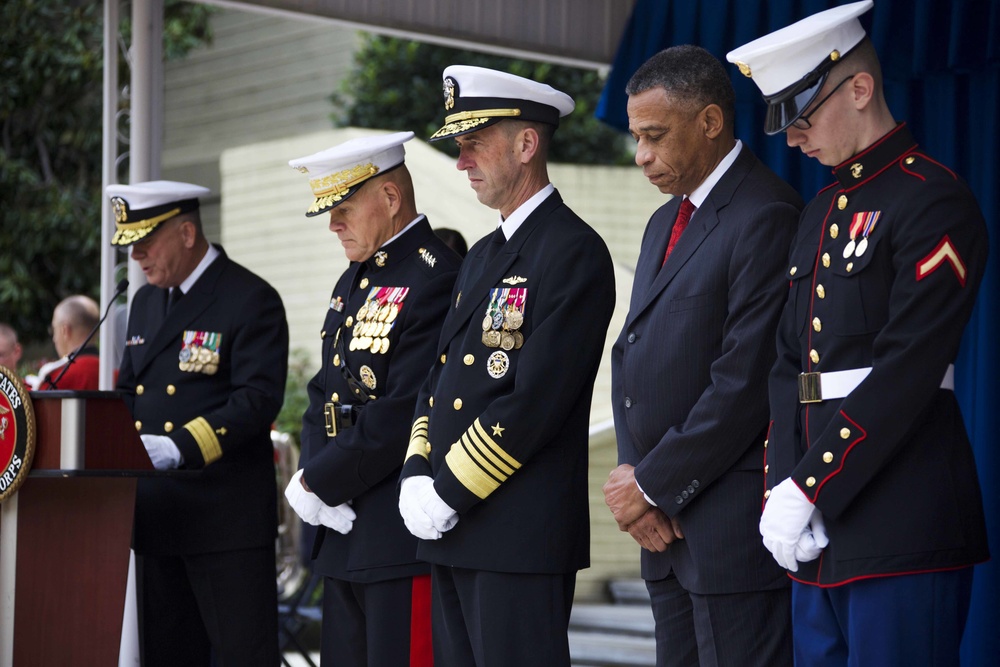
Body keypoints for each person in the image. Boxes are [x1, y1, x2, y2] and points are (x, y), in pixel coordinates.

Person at [726, 2, 989, 664]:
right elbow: (789, 365)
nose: (792, 139)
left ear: (861, 88)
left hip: (900, 517)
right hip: (819, 528)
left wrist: (813, 481)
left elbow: (908, 365)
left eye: (803, 115)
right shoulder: (819, 210)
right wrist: (783, 486)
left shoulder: (932, 198)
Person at [396, 65, 616, 667]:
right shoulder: (482, 254)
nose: (462, 160)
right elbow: (438, 381)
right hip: (455, 527)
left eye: (474, 143)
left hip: (517, 532)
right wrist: (416, 469)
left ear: (526, 144)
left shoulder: (572, 250)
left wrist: (447, 488)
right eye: (459, 146)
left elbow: (536, 398)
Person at [602, 45, 802, 667]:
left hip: (724, 531)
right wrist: (637, 487)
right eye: (637, 137)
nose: (641, 157)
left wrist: (654, 485)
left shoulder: (765, 213)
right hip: (663, 530)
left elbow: (742, 383)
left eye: (655, 136)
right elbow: (631, 356)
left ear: (711, 122)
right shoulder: (664, 222)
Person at [283, 131, 461, 666]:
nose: (333, 223)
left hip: (395, 534)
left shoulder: (437, 277)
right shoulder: (354, 279)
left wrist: (321, 480)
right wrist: (315, 477)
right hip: (343, 532)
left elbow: (405, 406)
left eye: (343, 207)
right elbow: (325, 392)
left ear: (389, 198)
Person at [111, 180, 289, 666]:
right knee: (167, 656)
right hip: (157, 514)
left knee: (241, 656)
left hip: (222, 519)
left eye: (146, 243)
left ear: (187, 233)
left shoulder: (248, 297)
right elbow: (130, 390)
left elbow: (257, 400)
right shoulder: (145, 302)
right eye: (131, 245)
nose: (138, 257)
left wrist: (179, 447)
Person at [32, 295, 101, 390]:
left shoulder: (56, 378)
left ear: (65, 331)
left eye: (54, 330)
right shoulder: (113, 375)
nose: (54, 339)